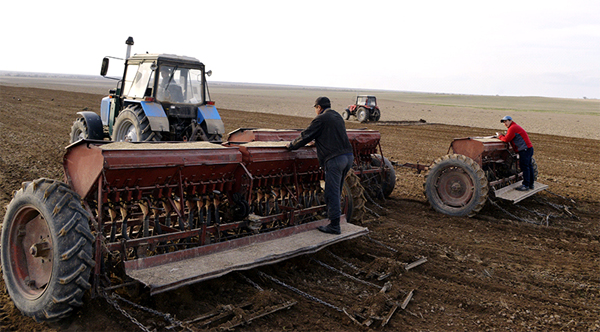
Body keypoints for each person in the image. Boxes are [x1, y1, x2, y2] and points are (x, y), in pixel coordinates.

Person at [286, 97, 354, 234]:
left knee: (331, 193)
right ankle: (333, 217)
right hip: (348, 157)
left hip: (335, 160)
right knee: (338, 190)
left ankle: (334, 226)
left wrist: (291, 146)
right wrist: (318, 143)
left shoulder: (321, 118)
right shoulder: (337, 116)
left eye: (315, 108)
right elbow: (333, 136)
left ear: (319, 107)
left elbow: (306, 135)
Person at [497, 115, 534, 191]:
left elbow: (507, 139)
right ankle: (531, 184)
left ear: (510, 120)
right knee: (529, 166)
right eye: (503, 122)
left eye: (506, 121)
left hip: (524, 150)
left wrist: (500, 136)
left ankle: (526, 185)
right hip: (528, 149)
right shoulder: (514, 127)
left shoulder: (513, 128)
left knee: (524, 166)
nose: (505, 124)